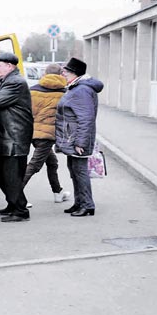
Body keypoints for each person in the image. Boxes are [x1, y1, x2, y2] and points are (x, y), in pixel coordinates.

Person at [0, 52, 34, 222]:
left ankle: (20, 210)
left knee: (11, 176)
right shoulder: (6, 81)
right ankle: (13, 204)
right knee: (1, 173)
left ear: (10, 66)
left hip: (13, 137)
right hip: (4, 136)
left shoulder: (16, 82)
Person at [55, 57, 104, 217]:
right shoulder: (76, 87)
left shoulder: (81, 90)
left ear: (74, 73)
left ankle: (87, 205)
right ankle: (79, 202)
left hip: (76, 139)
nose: (63, 74)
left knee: (80, 171)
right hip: (72, 138)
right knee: (74, 170)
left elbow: (85, 118)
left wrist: (80, 142)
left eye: (66, 71)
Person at [22, 63, 70, 204]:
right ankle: (15, 196)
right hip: (48, 135)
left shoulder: (33, 91)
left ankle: (58, 192)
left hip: (34, 132)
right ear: (60, 74)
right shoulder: (63, 93)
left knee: (52, 162)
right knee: (34, 165)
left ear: (45, 74)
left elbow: (27, 112)